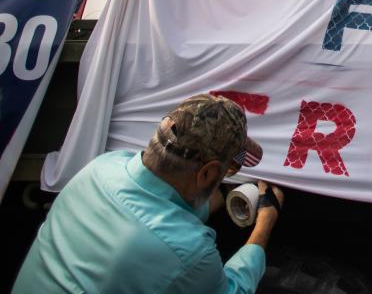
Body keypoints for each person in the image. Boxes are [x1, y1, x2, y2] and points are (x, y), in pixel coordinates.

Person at [13, 94, 284, 294]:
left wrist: (204, 201)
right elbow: (232, 290)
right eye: (228, 168)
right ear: (206, 175)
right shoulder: (190, 253)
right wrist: (265, 221)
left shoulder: (100, 167)